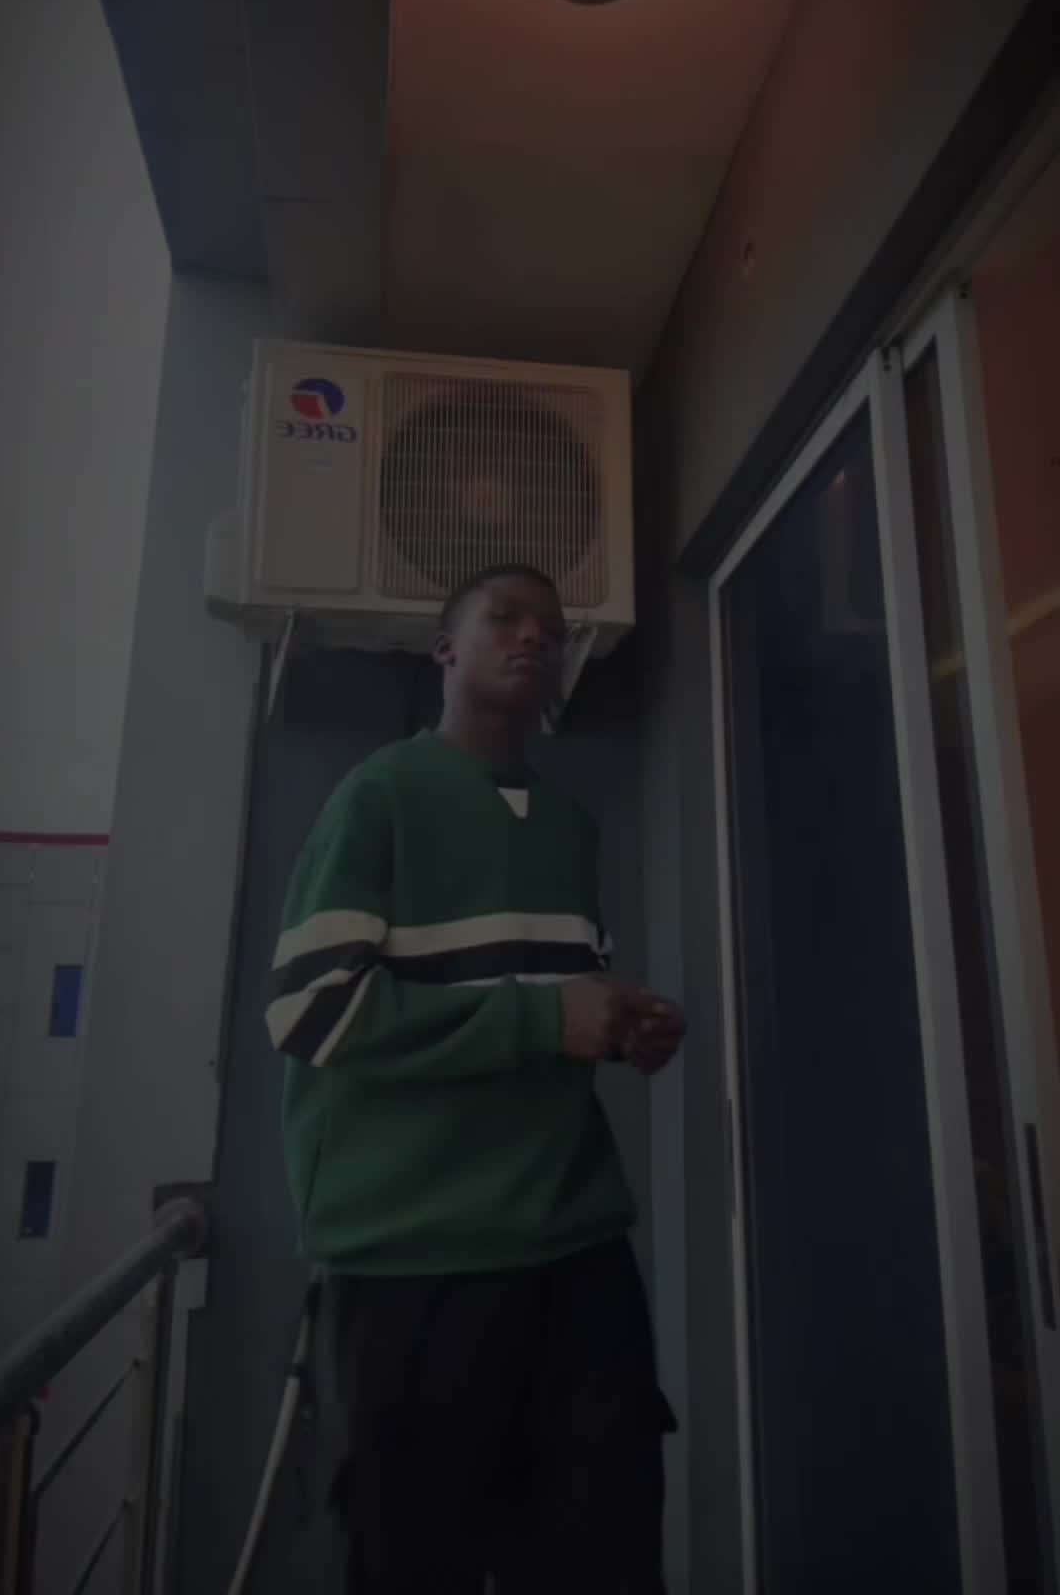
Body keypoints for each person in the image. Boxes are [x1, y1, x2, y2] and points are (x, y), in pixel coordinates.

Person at [266, 563, 686, 1594]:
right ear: (445, 649)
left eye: (551, 624)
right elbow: (312, 1010)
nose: (533, 634)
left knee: (609, 1558)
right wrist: (546, 1019)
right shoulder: (379, 796)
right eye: (505, 616)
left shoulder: (572, 827)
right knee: (419, 1566)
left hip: (579, 1248)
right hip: (417, 1262)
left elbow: (543, 1007)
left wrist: (621, 1026)